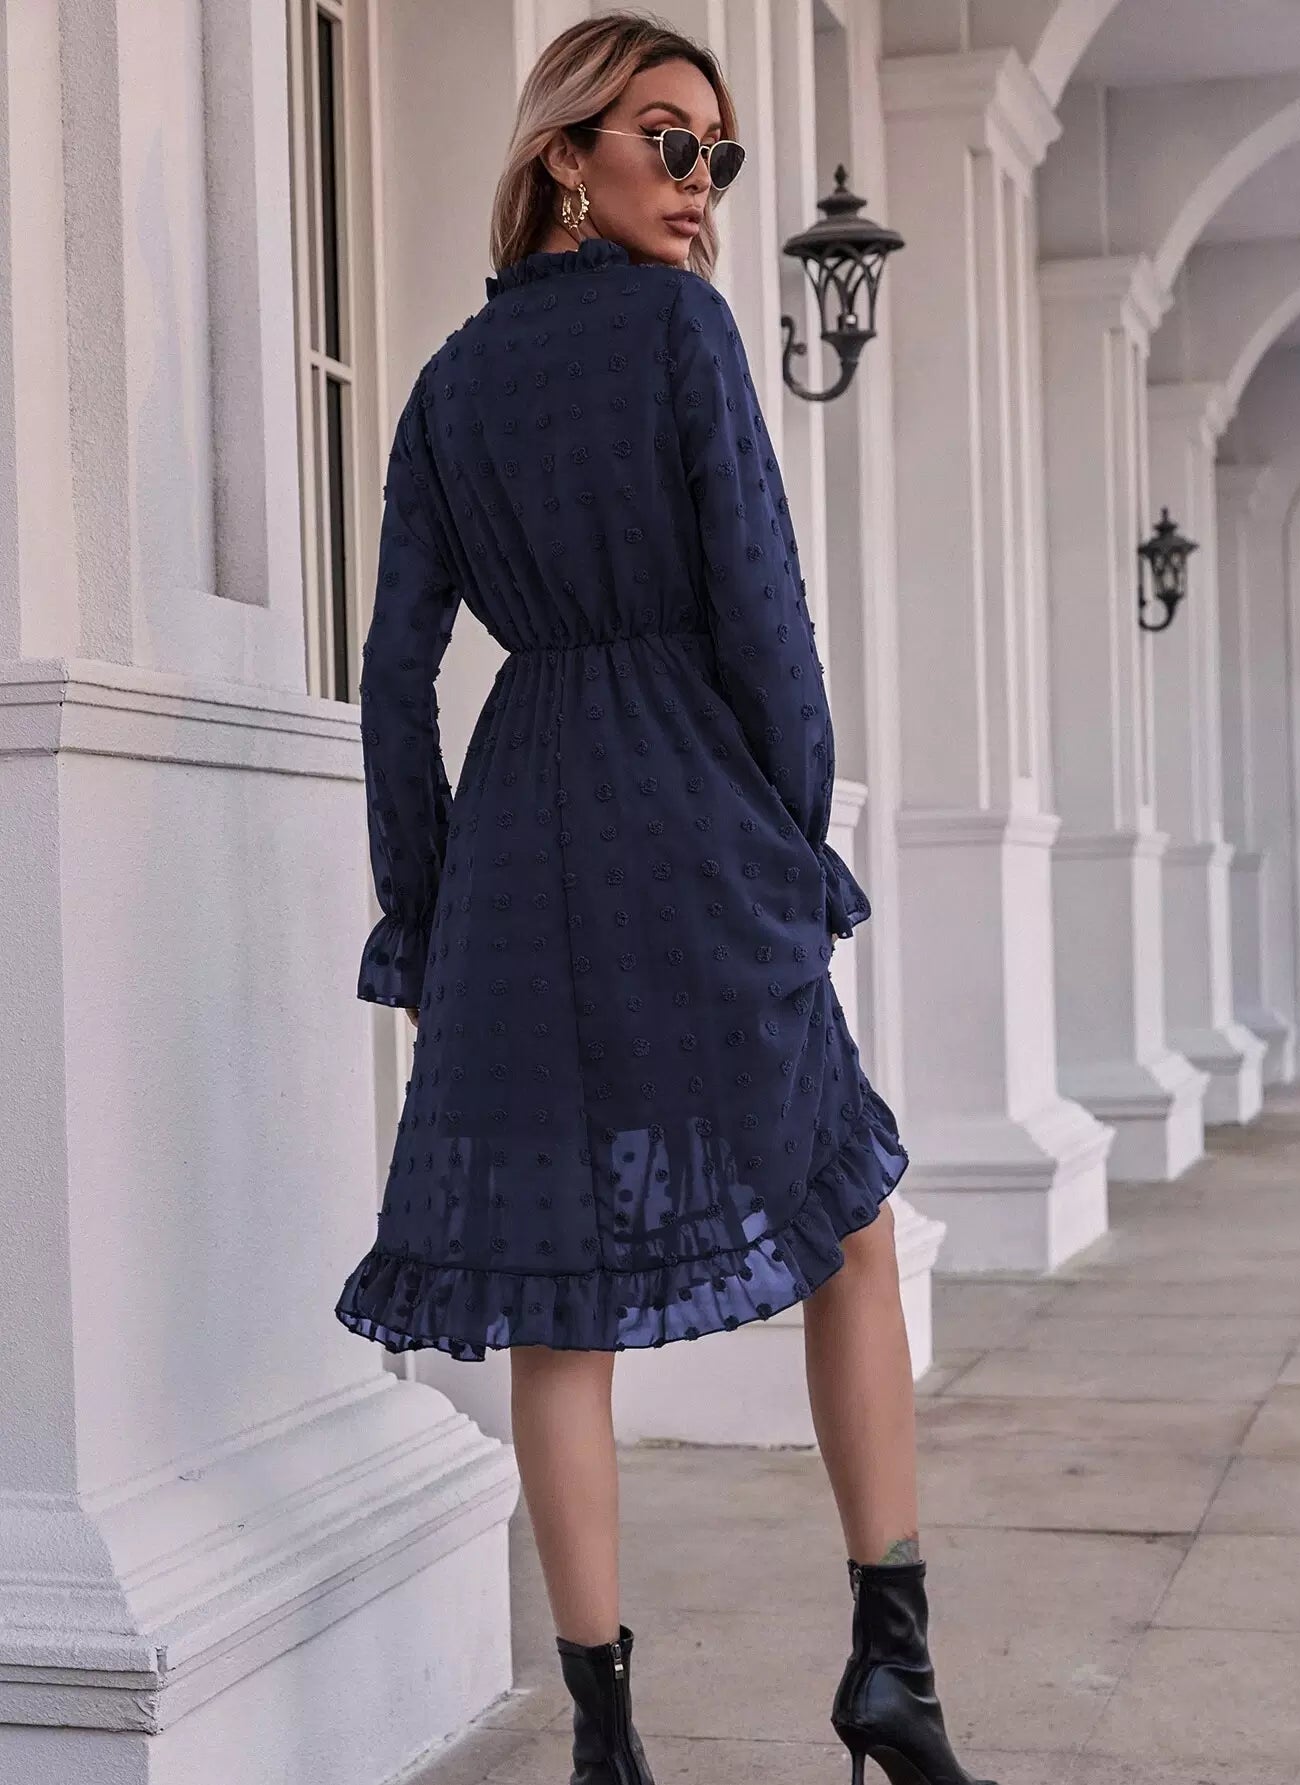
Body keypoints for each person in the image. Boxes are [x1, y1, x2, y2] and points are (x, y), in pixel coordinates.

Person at [335, 13, 992, 1785]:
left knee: (560, 1298)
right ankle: (893, 1675)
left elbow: (395, 678)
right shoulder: (683, 333)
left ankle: (606, 1745)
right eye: (669, 142)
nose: (702, 184)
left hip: (517, 849)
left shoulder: (444, 389)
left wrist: (421, 912)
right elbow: (767, 616)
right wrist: (794, 837)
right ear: (568, 156)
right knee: (850, 1228)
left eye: (719, 154)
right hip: (692, 821)